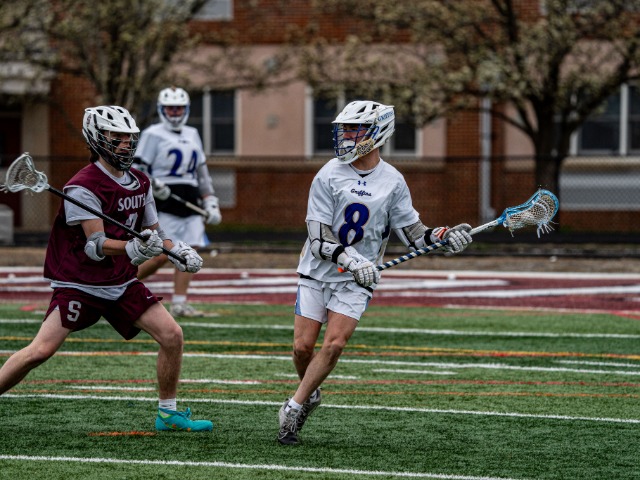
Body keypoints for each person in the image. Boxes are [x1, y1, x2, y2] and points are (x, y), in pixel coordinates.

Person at [0, 105, 213, 432]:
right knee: (40, 351)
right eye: (117, 137)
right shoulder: (81, 186)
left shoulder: (141, 181)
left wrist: (176, 251)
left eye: (129, 138)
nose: (126, 144)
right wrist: (132, 247)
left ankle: (168, 415)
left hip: (120, 281)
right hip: (80, 283)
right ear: (96, 139)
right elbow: (95, 245)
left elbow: (156, 231)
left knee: (172, 335)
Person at [277, 100, 473, 445]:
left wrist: (442, 238)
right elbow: (318, 237)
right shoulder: (328, 174)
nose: (347, 136)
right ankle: (311, 392)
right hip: (318, 271)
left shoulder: (393, 181)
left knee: (334, 344)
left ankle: (293, 409)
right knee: (302, 348)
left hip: (358, 280)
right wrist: (351, 259)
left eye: (355, 129)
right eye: (345, 129)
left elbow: (414, 235)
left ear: (378, 132)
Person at [133, 86, 222, 318]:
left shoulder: (192, 133)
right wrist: (153, 184)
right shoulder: (153, 134)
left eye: (179, 108)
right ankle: (117, 287)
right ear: (162, 109)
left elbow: (201, 173)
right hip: (165, 201)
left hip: (190, 198)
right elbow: (137, 169)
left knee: (189, 252)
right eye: (170, 108)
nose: (175, 112)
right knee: (162, 253)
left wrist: (210, 201)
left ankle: (180, 303)